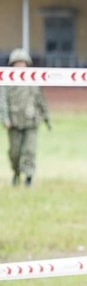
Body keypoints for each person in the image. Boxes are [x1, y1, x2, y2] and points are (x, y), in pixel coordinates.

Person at [1, 48, 51, 187]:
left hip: (31, 121)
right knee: (15, 152)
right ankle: (16, 172)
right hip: (14, 122)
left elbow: (40, 99)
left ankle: (29, 176)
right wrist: (5, 118)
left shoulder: (33, 80)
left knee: (30, 150)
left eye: (22, 63)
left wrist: (47, 118)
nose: (20, 66)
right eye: (17, 63)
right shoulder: (6, 81)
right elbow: (2, 100)